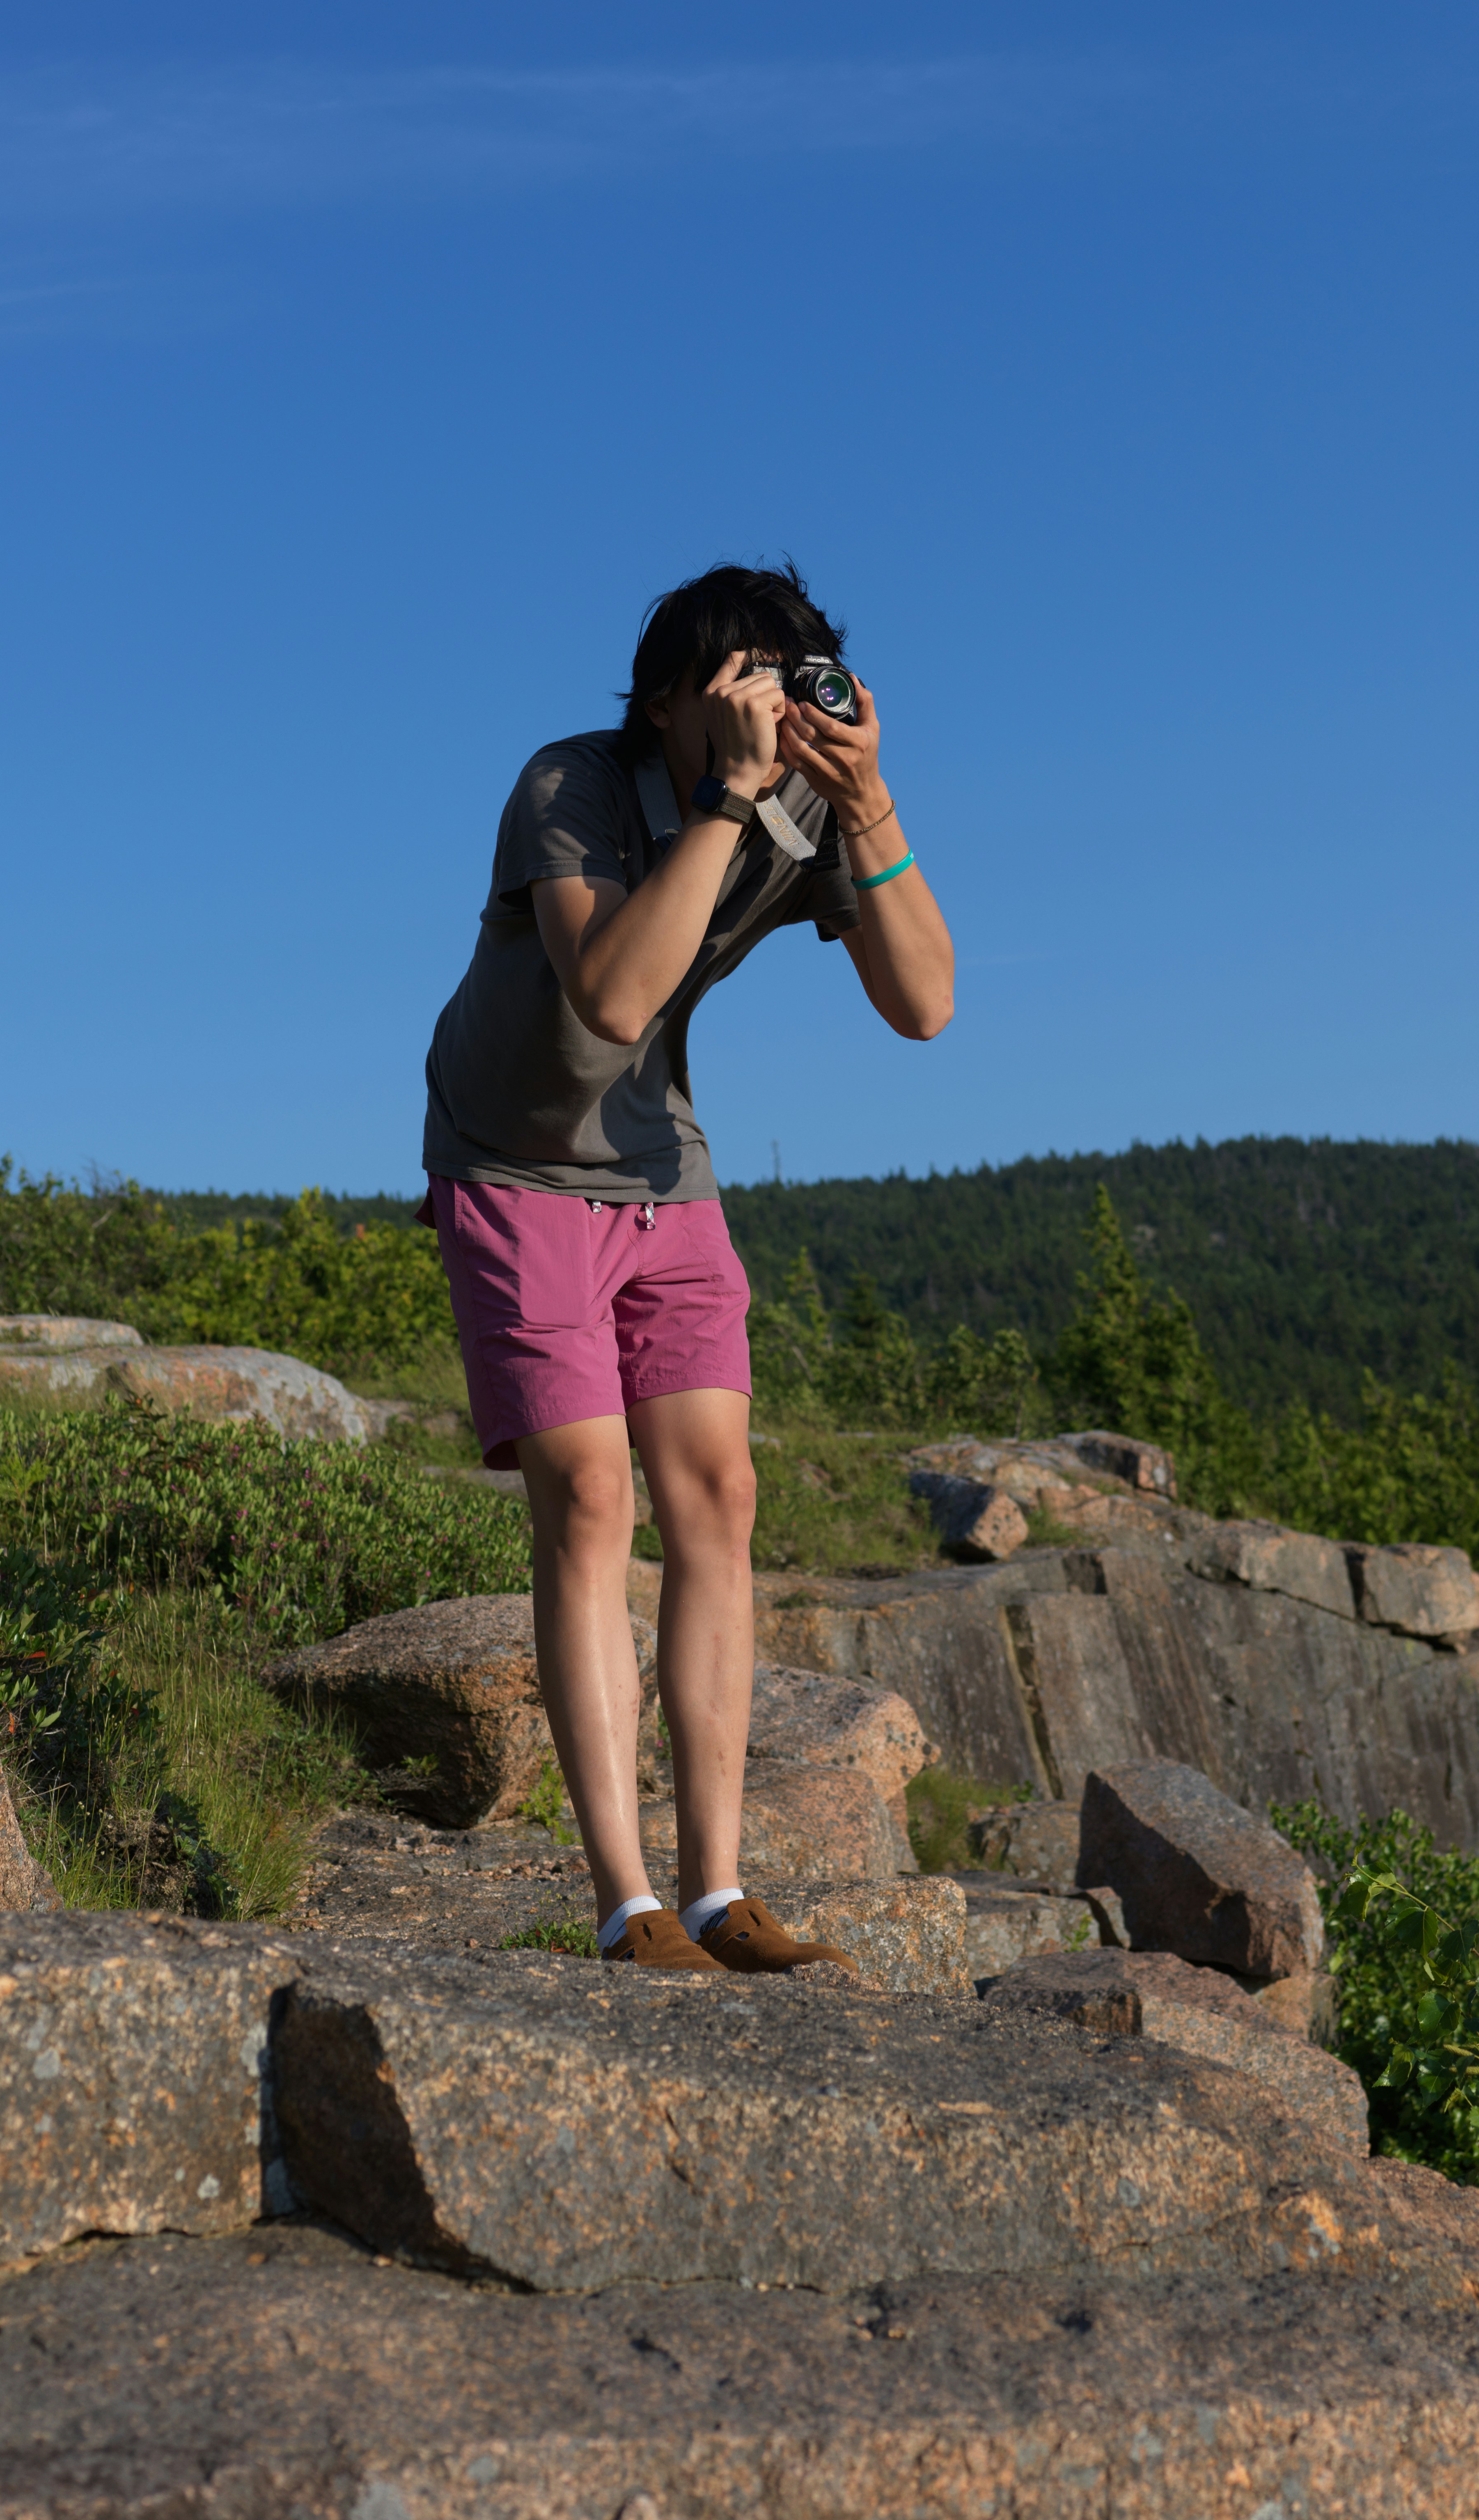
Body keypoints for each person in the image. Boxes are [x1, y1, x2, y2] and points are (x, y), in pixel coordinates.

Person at [419, 561, 954, 1973]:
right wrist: (724, 804)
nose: (775, 711)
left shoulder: (799, 806)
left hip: (660, 1163)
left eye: (797, 679)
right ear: (667, 700)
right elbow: (604, 999)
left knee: (718, 1491)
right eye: (745, 684)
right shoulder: (573, 786)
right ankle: (626, 1904)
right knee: (591, 1496)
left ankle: (719, 1894)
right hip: (514, 1158)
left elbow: (926, 1005)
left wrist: (866, 802)